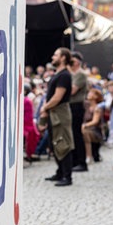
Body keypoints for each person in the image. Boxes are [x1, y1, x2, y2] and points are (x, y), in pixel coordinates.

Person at [40, 47, 75, 186]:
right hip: (54, 111)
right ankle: (60, 172)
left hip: (60, 112)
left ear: (63, 58)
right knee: (54, 142)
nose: (53, 57)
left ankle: (67, 176)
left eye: (56, 55)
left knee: (63, 143)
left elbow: (57, 97)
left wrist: (44, 107)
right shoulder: (58, 74)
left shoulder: (65, 75)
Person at [68, 51, 89, 172]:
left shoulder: (80, 74)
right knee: (73, 135)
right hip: (72, 105)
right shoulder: (74, 74)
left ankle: (81, 162)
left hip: (76, 106)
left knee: (77, 134)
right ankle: (75, 161)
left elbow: (72, 91)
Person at [81, 88, 105, 164]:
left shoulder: (97, 108)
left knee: (85, 132)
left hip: (95, 131)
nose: (89, 94)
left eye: (92, 93)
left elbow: (95, 121)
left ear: (96, 96)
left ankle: (89, 156)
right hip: (85, 128)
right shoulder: (85, 106)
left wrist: (85, 125)